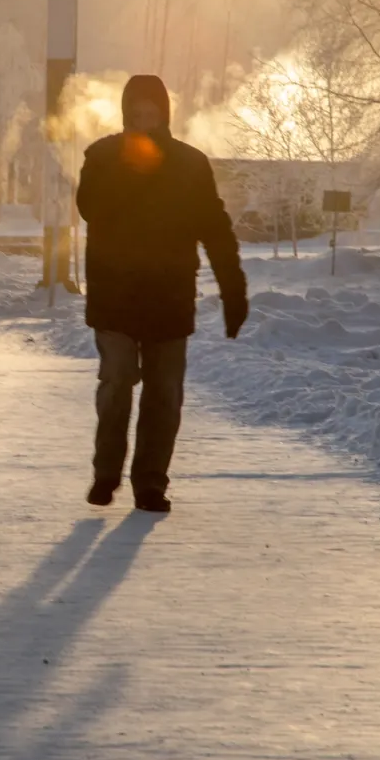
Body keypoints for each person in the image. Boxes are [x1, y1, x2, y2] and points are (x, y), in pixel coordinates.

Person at [75, 74, 248, 513]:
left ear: (164, 114)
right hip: (114, 295)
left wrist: (233, 290)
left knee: (164, 393)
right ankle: (106, 472)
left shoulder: (190, 164)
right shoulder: (102, 156)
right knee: (117, 381)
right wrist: (124, 166)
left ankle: (150, 482)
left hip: (169, 296)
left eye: (151, 113)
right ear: (126, 113)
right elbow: (89, 208)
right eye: (136, 113)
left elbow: (215, 227)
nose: (144, 120)